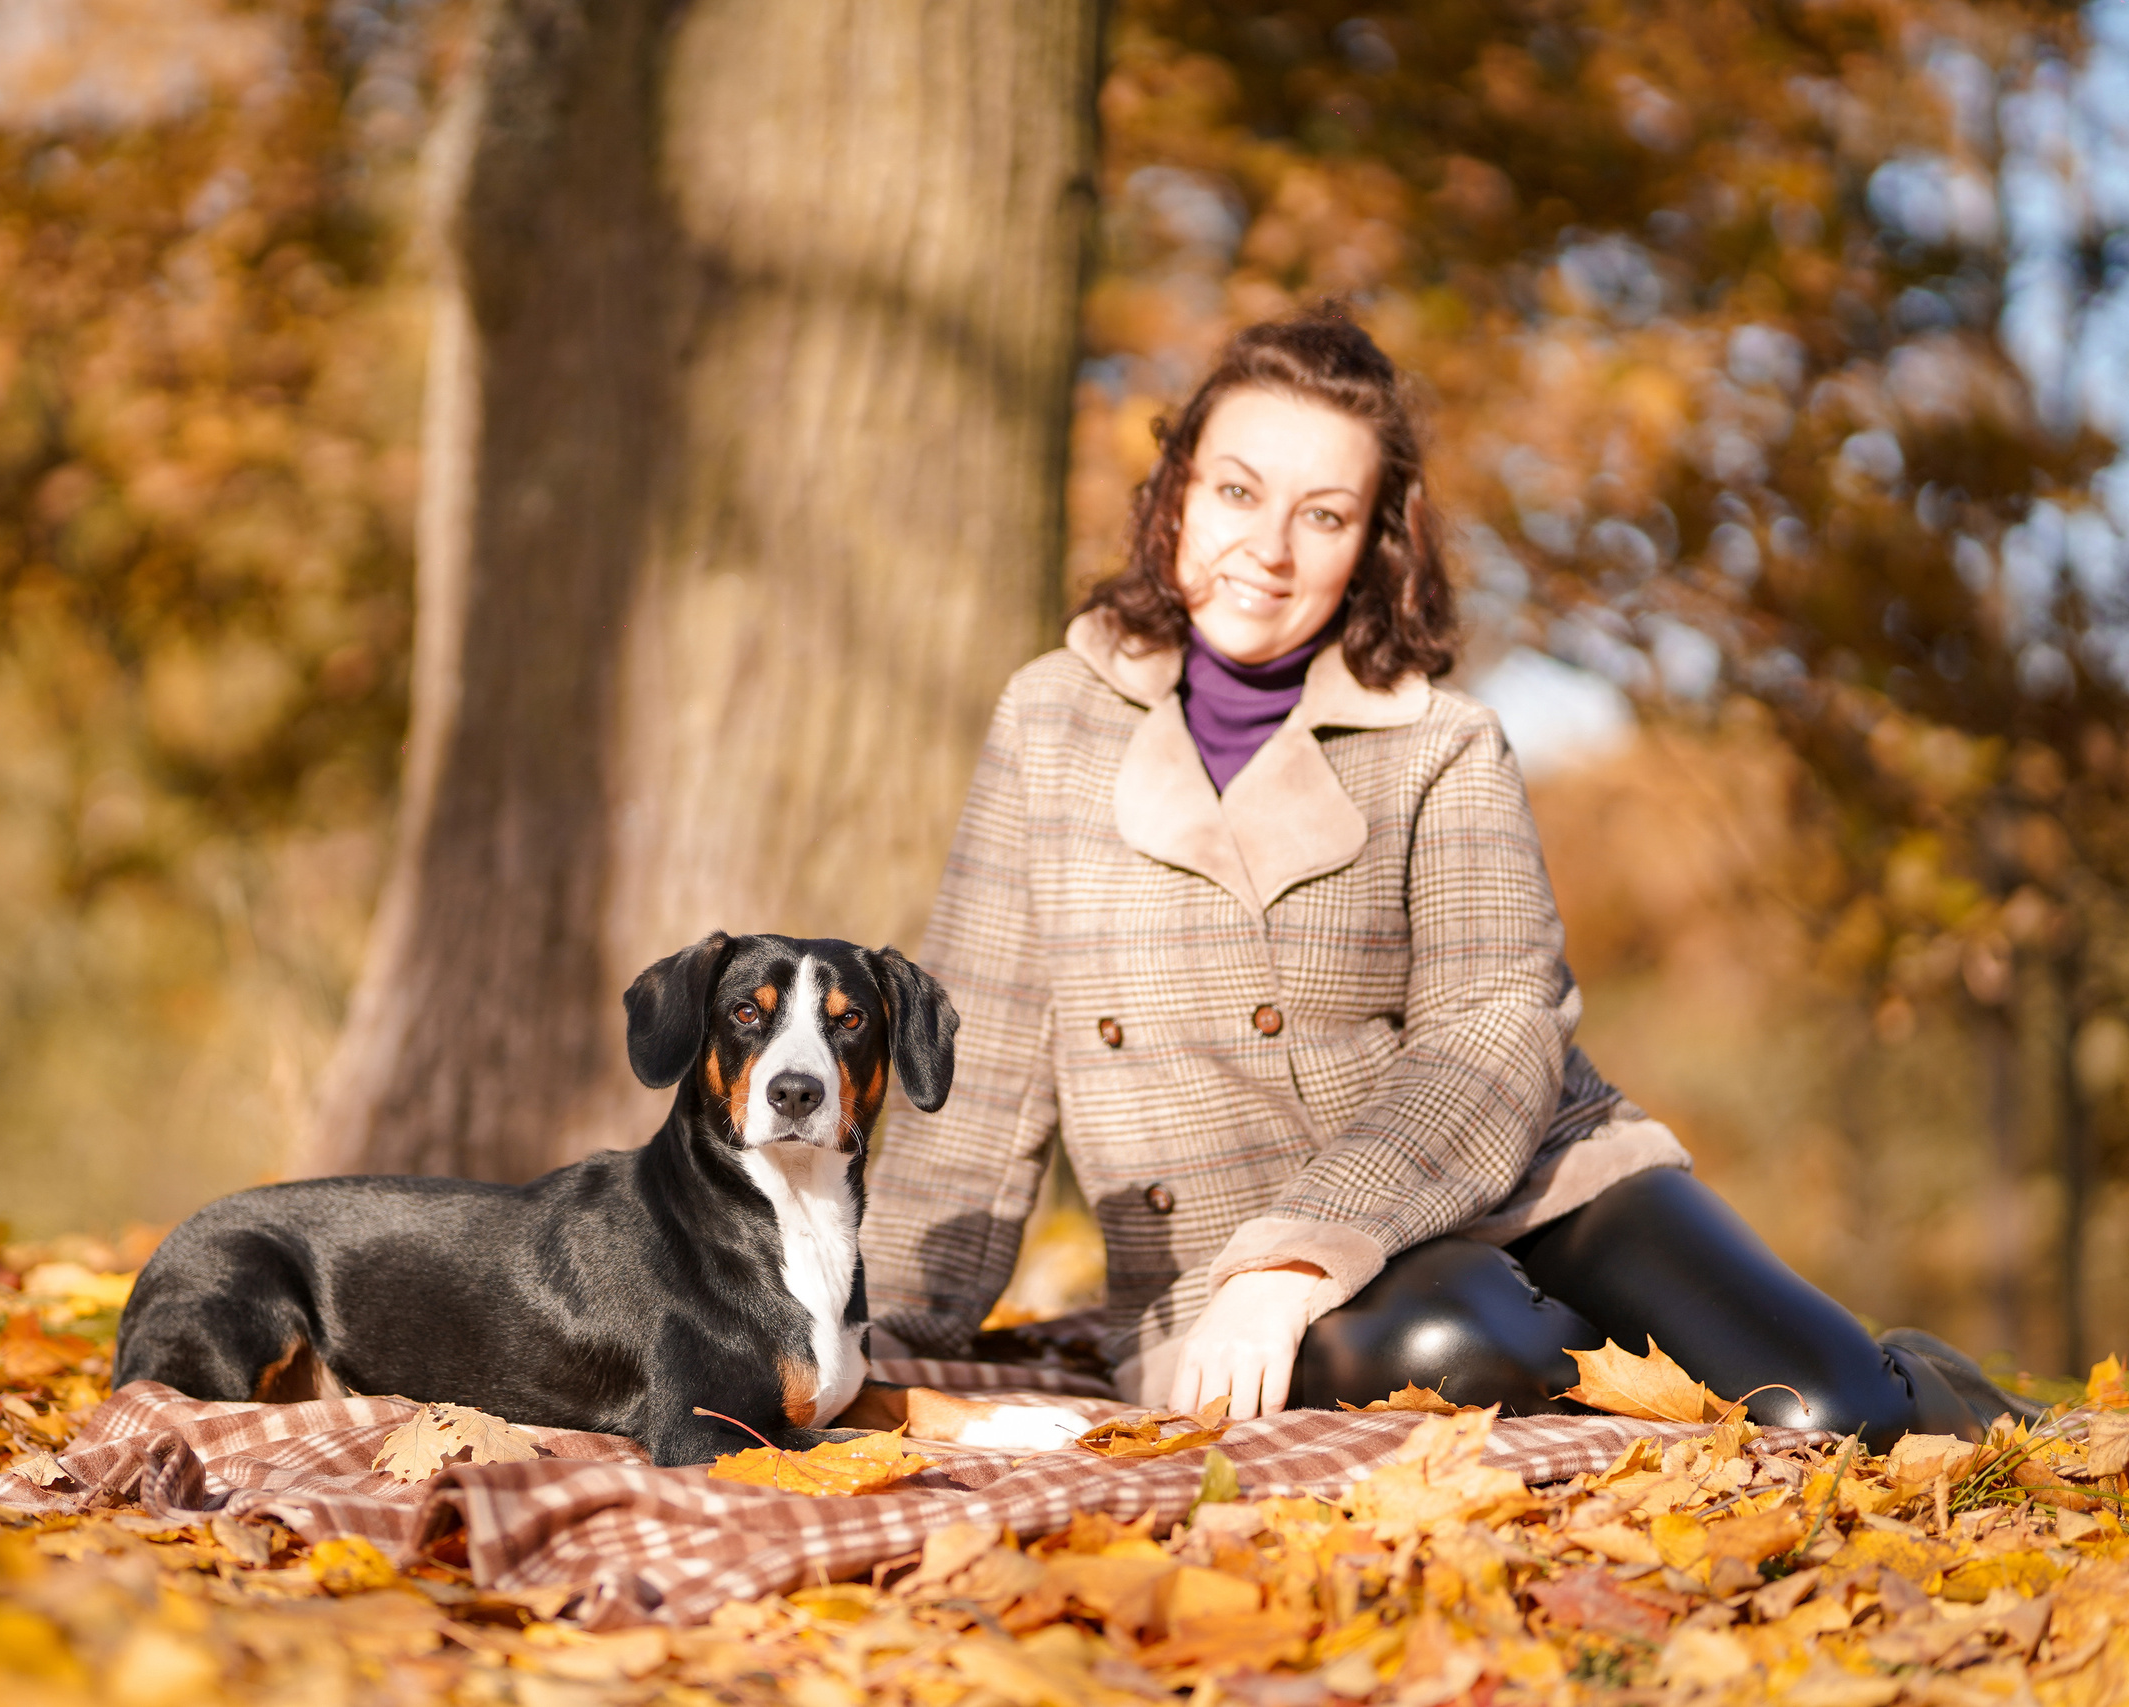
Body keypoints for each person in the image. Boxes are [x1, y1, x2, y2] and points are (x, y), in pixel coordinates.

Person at [861, 311, 2023, 1450]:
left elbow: (1494, 1029)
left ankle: (1927, 1381)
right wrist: (859, 1320)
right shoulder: (1050, 721)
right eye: (1235, 492)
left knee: (1828, 1415)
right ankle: (1528, 1327)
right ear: (1173, 493)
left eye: (1321, 515)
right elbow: (981, 1064)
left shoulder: (1440, 743)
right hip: (1225, 1272)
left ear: (1373, 543)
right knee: (1452, 1355)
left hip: (1538, 1178)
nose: (1267, 549)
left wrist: (1304, 1244)